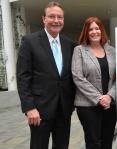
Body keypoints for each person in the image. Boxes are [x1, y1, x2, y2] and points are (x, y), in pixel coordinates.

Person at [16, 1, 77, 149]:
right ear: (44, 19)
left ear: (63, 20)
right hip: (39, 111)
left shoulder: (69, 44)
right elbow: (23, 77)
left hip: (63, 110)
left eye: (59, 17)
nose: (56, 20)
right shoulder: (29, 42)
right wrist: (29, 108)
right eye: (52, 16)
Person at [71, 16, 116, 149]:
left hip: (110, 104)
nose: (94, 32)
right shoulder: (79, 50)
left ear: (102, 31)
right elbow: (78, 77)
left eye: (97, 28)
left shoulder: (112, 51)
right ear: (86, 32)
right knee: (93, 142)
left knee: (107, 142)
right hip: (88, 105)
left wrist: (109, 96)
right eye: (91, 29)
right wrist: (99, 98)